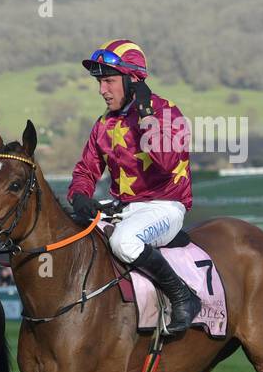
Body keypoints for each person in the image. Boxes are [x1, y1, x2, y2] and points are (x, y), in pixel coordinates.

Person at [68, 39, 201, 335]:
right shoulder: (104, 123)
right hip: (123, 209)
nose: (102, 90)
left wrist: (144, 114)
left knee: (123, 242)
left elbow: (166, 162)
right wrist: (79, 195)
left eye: (109, 81)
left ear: (132, 80)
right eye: (100, 82)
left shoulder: (166, 113)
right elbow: (87, 169)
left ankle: (184, 297)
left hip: (164, 207)